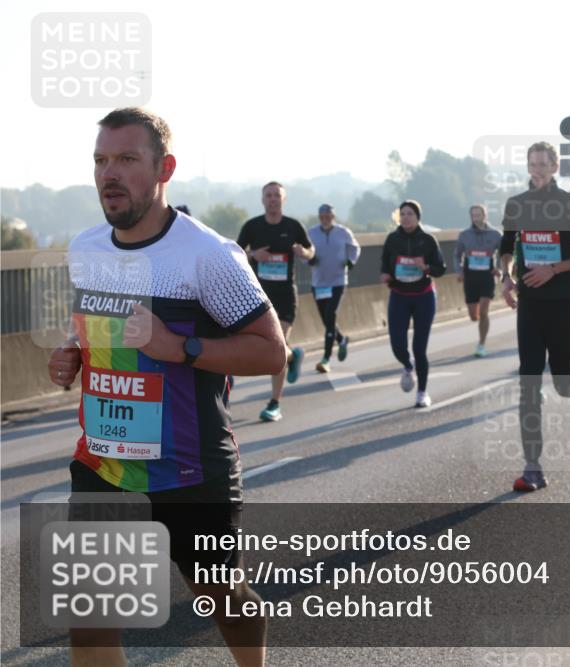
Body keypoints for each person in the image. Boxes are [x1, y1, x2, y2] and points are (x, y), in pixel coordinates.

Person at [49, 107, 282, 667]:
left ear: (164, 169)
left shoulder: (207, 255)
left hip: (189, 469)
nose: (110, 173)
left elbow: (271, 351)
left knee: (223, 598)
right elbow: (101, 333)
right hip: (104, 463)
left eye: (127, 159)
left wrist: (181, 347)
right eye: (101, 160)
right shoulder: (85, 249)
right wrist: (75, 354)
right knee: (90, 617)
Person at [499, 141, 570, 492]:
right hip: (530, 305)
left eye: (543, 164)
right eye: (533, 164)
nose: (538, 170)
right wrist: (506, 278)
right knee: (528, 384)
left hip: (565, 303)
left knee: (560, 381)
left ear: (555, 167)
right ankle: (533, 468)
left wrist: (553, 269)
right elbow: (506, 247)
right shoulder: (517, 205)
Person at [236, 182, 314, 422]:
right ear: (262, 200)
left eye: (277, 195)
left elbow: (311, 250)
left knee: (277, 347)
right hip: (258, 296)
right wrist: (253, 255)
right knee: (271, 349)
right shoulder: (252, 226)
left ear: (283, 200)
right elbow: (235, 254)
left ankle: (274, 403)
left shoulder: (293, 226)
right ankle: (293, 356)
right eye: (268, 195)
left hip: (285, 295)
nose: (272, 199)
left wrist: (303, 252)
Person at [380, 200, 446, 408]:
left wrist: (425, 267)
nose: (406, 217)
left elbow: (441, 268)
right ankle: (408, 367)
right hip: (399, 296)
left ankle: (422, 392)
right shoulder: (392, 239)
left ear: (418, 217)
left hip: (423, 297)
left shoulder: (428, 240)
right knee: (398, 346)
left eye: (410, 214)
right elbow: (384, 265)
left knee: (419, 348)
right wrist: (385, 274)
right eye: (403, 214)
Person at [307, 204, 359, 372]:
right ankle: (341, 339)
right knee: (327, 320)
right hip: (319, 283)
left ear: (333, 217)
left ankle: (326, 358)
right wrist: (309, 260)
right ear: (319, 217)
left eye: (328, 216)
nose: (325, 219)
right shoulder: (311, 233)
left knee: (330, 315)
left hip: (338, 281)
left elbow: (355, 248)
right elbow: (304, 251)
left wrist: (351, 261)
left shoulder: (343, 232)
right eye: (322, 216)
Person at [454, 203, 503, 357]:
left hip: (487, 276)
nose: (476, 218)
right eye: (473, 216)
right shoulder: (464, 235)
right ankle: (477, 318)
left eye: (478, 215)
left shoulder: (495, 234)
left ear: (485, 216)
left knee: (484, 311)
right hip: (470, 277)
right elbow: (457, 255)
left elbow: (504, 253)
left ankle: (481, 345)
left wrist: (499, 268)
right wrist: (459, 271)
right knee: (473, 316)